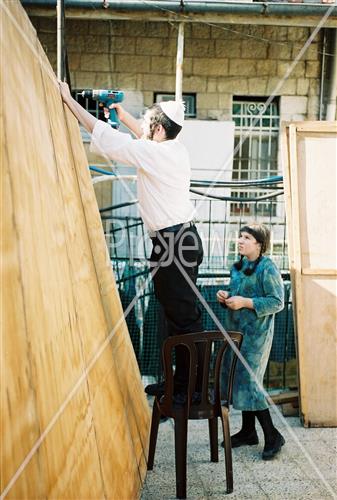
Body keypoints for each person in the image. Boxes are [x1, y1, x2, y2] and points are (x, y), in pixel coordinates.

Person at [59, 82, 203, 399]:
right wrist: (124, 115)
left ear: (158, 128)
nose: (144, 124)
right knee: (172, 315)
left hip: (175, 243)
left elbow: (111, 142)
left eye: (148, 121)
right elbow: (141, 137)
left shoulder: (155, 153)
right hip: (178, 240)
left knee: (184, 319)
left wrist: (70, 102)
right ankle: (177, 382)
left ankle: (192, 389)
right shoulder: (172, 147)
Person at [217, 222, 285, 460]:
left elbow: (277, 301)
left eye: (247, 237)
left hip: (257, 336)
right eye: (240, 236)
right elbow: (233, 292)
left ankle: (273, 435)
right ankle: (248, 432)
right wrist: (224, 297)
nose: (241, 240)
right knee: (238, 379)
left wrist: (246, 302)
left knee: (249, 383)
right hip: (235, 332)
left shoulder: (268, 267)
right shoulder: (237, 266)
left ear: (260, 243)